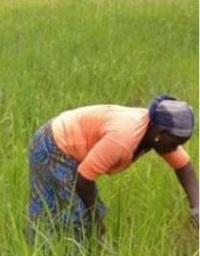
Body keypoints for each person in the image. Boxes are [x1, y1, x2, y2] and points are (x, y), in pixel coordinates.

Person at [28, 95, 199, 243]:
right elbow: (84, 180)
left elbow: (184, 167)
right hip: (54, 145)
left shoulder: (155, 131)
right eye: (176, 143)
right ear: (160, 133)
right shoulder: (123, 139)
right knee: (75, 217)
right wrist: (97, 224)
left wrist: (197, 208)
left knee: (76, 215)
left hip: (66, 140)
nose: (176, 148)